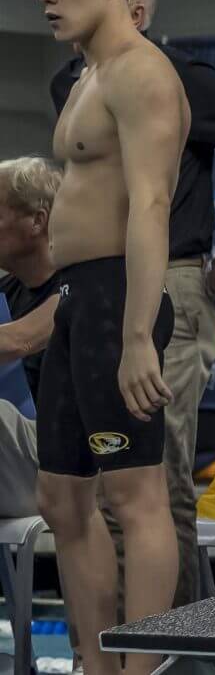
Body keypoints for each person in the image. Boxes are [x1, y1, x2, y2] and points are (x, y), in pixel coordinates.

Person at [51, 0, 215, 604]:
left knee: (154, 484)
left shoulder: (170, 73)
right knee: (88, 492)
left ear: (131, 10)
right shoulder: (70, 83)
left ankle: (169, 647)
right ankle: (108, 646)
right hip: (90, 290)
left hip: (165, 284)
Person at [35, 0, 189, 675]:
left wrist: (136, 335)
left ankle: (141, 669)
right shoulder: (86, 77)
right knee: (61, 500)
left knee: (135, 496)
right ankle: (97, 668)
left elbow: (151, 205)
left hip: (115, 298)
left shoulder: (141, 73)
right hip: (74, 298)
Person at [0, 157, 63, 519]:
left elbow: (19, 340)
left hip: (66, 462)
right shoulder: (7, 290)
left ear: (37, 221)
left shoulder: (80, 287)